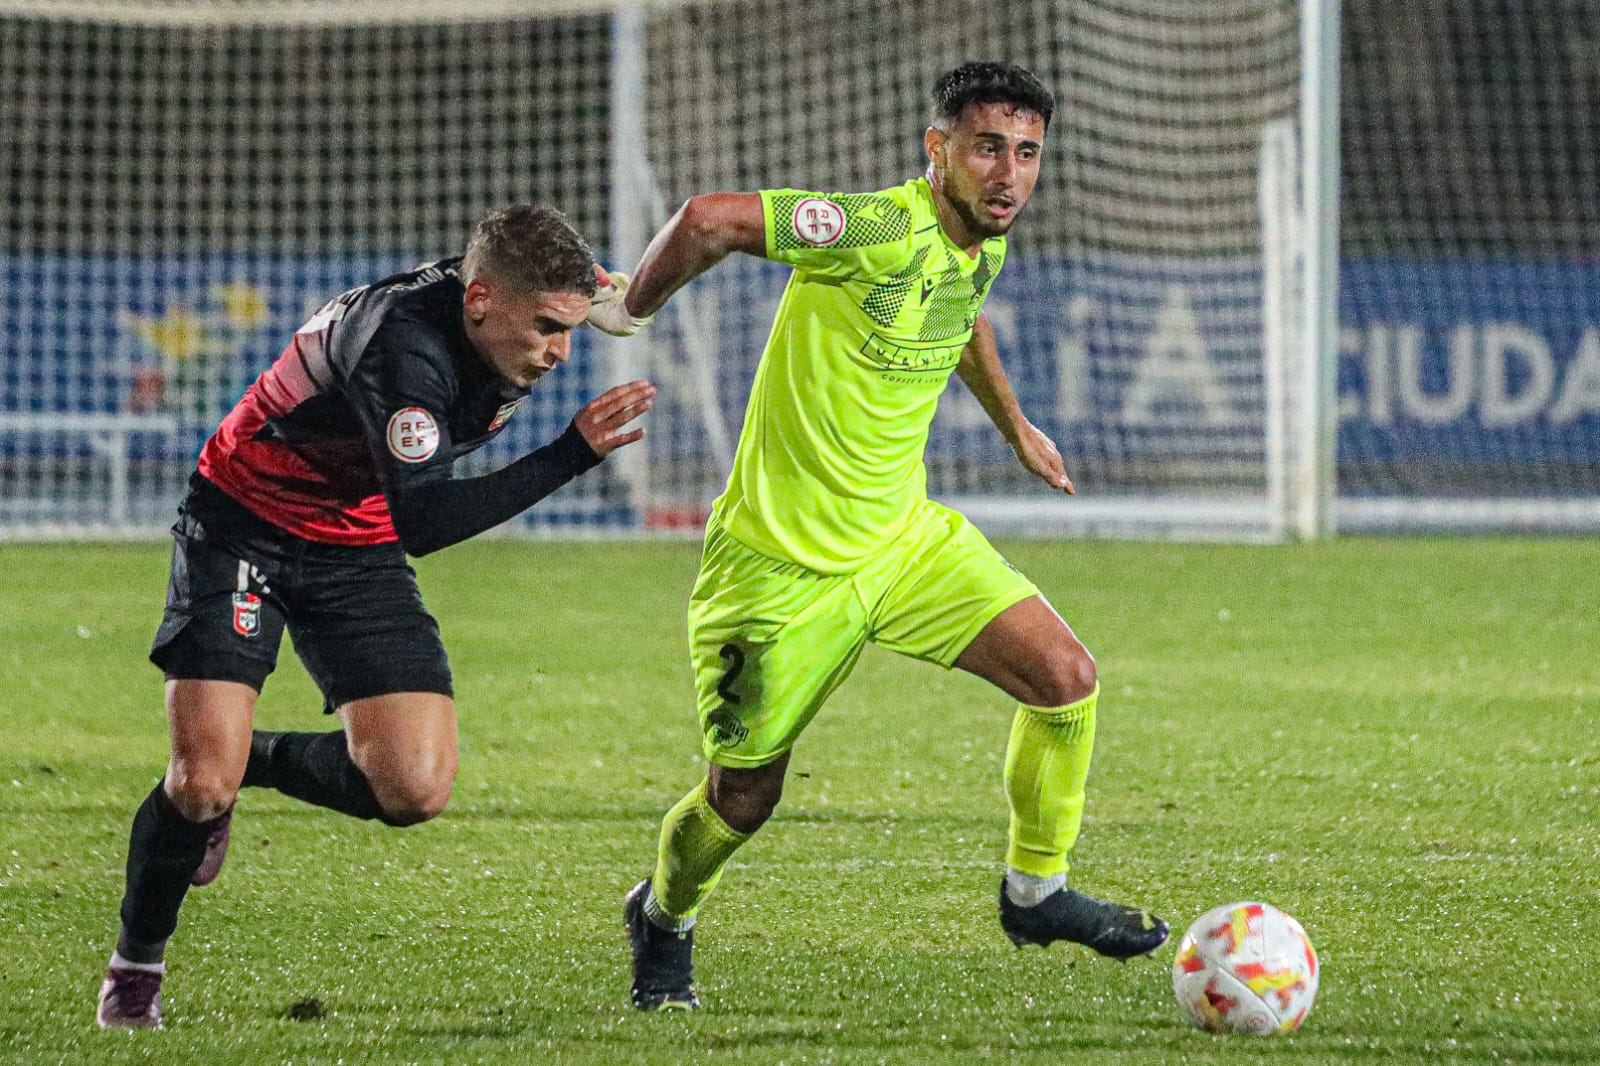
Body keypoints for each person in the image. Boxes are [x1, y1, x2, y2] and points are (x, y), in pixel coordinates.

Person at [608, 61, 1169, 1010]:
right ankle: (662, 917)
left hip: (904, 543)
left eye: (1028, 153)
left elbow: (961, 316)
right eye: (988, 147)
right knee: (742, 799)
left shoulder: (980, 241)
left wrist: (1015, 426)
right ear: (937, 149)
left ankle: (1035, 891)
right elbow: (707, 218)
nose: (1009, 174)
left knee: (1066, 679)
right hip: (778, 570)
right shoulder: (873, 228)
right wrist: (628, 311)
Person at [95, 203, 656, 1029]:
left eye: (572, 329)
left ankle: (251, 760)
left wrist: (626, 298)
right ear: (481, 301)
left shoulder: (499, 299)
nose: (560, 351)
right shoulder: (404, 352)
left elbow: (604, 292)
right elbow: (424, 526)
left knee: (415, 788)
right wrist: (572, 453)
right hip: (244, 524)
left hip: (353, 544)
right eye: (545, 327)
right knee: (198, 784)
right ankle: (135, 969)